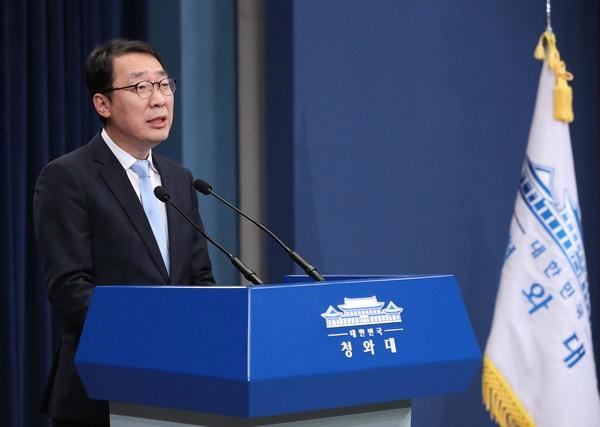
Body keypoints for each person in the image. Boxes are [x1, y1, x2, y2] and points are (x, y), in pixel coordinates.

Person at [33, 39, 215, 427]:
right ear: (103, 104)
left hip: (182, 389)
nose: (159, 100)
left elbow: (199, 278)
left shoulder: (179, 180)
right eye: (140, 87)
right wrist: (155, 341)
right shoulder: (68, 177)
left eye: (163, 84)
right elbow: (70, 289)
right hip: (103, 393)